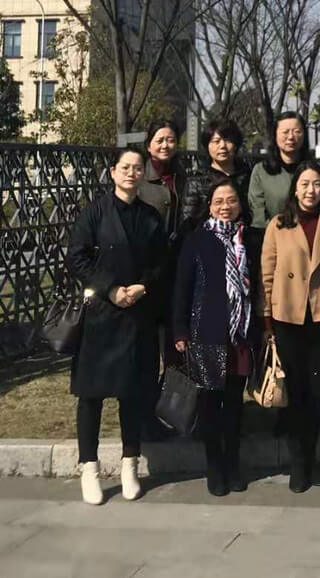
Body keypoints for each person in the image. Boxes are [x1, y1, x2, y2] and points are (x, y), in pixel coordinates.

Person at [66, 146, 168, 506]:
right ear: (112, 172)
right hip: (101, 315)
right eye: (125, 167)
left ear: (143, 174)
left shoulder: (150, 216)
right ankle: (89, 468)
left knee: (132, 394)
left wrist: (143, 286)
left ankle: (130, 465)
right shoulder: (94, 212)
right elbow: (76, 257)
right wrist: (111, 289)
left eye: (138, 168)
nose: (131, 173)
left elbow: (161, 262)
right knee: (91, 395)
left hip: (137, 314)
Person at [260, 160, 320, 493]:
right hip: (287, 317)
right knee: (294, 393)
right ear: (294, 189)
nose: (310, 191)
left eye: (316, 184)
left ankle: (311, 459)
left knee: (316, 394)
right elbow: (267, 274)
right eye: (304, 184)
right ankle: (298, 464)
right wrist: (267, 318)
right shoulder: (278, 225)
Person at [173, 181, 260, 496]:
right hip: (206, 332)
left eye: (231, 200)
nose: (226, 206)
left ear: (240, 204)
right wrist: (180, 330)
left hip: (239, 334)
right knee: (210, 404)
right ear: (209, 206)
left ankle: (233, 465)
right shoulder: (197, 240)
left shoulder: (250, 239)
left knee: (234, 405)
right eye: (219, 201)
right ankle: (214, 467)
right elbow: (182, 286)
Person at [138, 117, 188, 439]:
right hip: (146, 273)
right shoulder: (140, 176)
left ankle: (169, 411)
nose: (165, 145)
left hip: (174, 271)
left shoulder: (180, 175)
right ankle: (145, 417)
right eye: (159, 139)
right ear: (148, 144)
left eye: (170, 139)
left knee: (173, 347)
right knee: (146, 351)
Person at [182, 118, 251, 229]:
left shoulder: (248, 177)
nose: (222, 146)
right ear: (207, 145)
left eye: (228, 140)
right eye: (216, 141)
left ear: (236, 145)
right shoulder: (197, 180)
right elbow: (188, 221)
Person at [249, 112, 311, 229]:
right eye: (285, 132)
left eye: (297, 131)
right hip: (272, 234)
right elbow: (258, 214)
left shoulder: (315, 170)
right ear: (275, 135)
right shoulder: (261, 171)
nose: (291, 137)